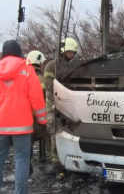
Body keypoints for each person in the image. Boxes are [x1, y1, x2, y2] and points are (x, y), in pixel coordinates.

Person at [0, 40, 47, 194]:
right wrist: (42, 119)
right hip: (22, 126)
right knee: (21, 159)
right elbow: (37, 98)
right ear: (19, 52)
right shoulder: (27, 70)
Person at [43, 38, 78, 177]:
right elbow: (49, 86)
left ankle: (71, 163)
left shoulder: (72, 66)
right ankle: (58, 167)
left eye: (73, 53)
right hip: (53, 107)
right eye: (70, 52)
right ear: (63, 51)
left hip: (69, 107)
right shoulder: (51, 66)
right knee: (55, 136)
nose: (72, 55)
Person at [26, 50, 47, 175]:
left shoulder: (24, 75)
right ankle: (49, 160)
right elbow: (42, 98)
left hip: (24, 116)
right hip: (36, 117)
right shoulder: (39, 78)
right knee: (50, 135)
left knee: (27, 143)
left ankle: (27, 166)